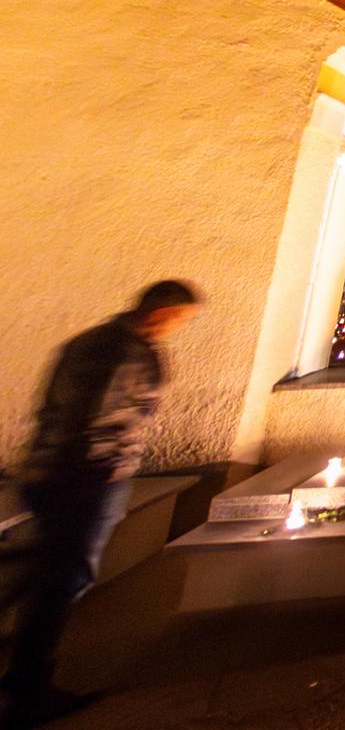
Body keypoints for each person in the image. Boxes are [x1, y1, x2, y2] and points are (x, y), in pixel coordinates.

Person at [3, 280, 201, 725]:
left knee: (47, 573)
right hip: (83, 479)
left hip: (53, 471)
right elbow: (95, 423)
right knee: (63, 581)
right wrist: (107, 479)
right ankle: (28, 694)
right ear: (160, 313)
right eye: (181, 319)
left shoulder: (90, 342)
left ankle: (22, 680)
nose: (180, 328)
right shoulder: (123, 353)